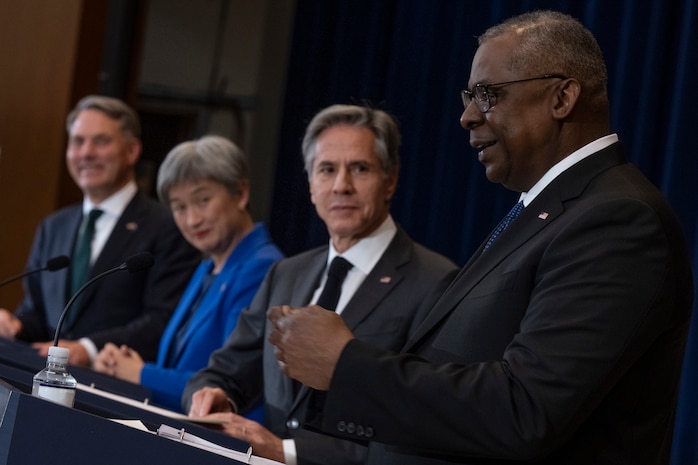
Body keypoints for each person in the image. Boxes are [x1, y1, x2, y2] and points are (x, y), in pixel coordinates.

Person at [267, 11, 694, 465]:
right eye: (469, 96)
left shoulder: (617, 219)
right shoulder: (547, 209)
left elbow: (526, 410)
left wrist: (345, 365)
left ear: (562, 97)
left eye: (488, 95)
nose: (467, 117)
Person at [183, 104, 458, 464]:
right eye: (327, 170)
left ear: (389, 180)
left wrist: (289, 452)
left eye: (359, 169)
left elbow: (421, 430)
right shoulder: (286, 274)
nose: (341, 186)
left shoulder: (436, 282)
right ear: (311, 184)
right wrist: (212, 395)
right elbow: (224, 370)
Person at [0, 95, 200, 367]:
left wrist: (88, 349)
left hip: (112, 390)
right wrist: (16, 326)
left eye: (101, 141)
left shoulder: (167, 226)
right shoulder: (53, 226)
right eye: (78, 141)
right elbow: (37, 315)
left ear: (132, 151)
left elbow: (164, 319)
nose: (86, 153)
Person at [93, 135, 284, 414]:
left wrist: (140, 373)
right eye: (179, 207)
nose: (192, 219)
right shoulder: (208, 266)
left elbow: (227, 386)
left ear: (241, 193)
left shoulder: (263, 268)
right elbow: (183, 366)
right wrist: (130, 365)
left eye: (203, 200)